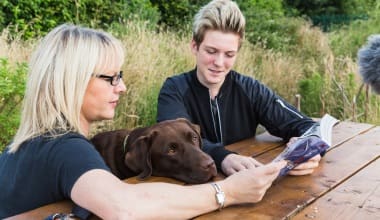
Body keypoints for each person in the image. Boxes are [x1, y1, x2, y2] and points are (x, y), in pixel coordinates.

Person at [0, 24, 287, 219]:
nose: (121, 87)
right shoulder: (65, 148)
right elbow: (125, 206)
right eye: (111, 77)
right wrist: (230, 192)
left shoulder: (26, 144)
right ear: (72, 82)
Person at [157, 0, 322, 176]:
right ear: (194, 46)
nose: (219, 63)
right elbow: (175, 140)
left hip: (250, 186)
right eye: (211, 51)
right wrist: (223, 158)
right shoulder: (174, 89)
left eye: (229, 54)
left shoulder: (250, 89)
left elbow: (307, 126)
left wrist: (310, 147)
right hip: (189, 189)